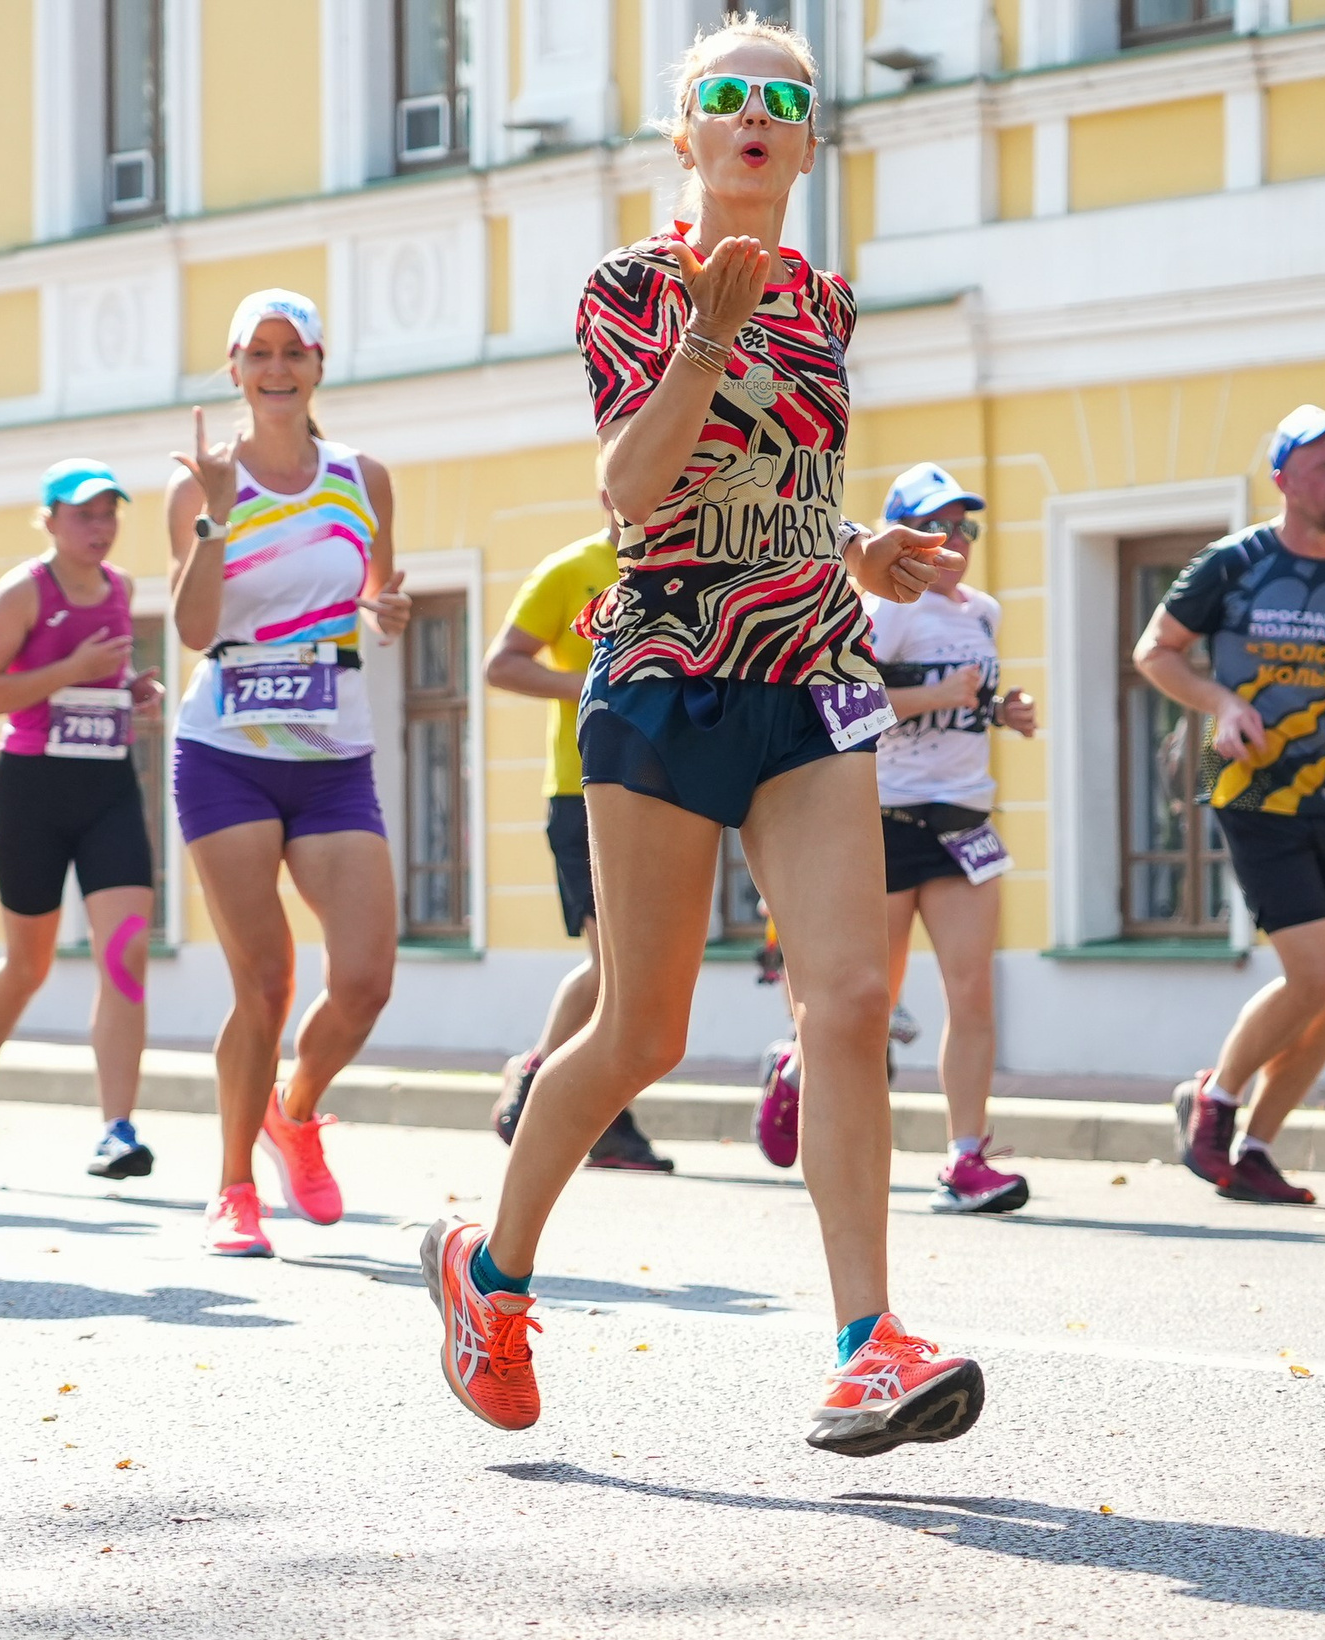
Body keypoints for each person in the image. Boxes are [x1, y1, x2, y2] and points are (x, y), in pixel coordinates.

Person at [421, 18, 986, 1458]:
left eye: (781, 101)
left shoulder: (832, 303)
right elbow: (633, 490)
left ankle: (867, 1341)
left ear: (809, 140)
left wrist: (860, 547)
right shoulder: (630, 284)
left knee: (850, 996)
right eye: (723, 98)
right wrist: (708, 338)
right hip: (667, 676)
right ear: (685, 135)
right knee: (641, 1029)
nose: (753, 116)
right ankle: (490, 1274)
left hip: (807, 673)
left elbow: (781, 480)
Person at [164, 289, 410, 1258]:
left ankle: (294, 1113)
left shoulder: (362, 477)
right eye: (257, 353)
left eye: (292, 351)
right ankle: (232, 1189)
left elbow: (380, 591)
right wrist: (217, 521)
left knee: (364, 981)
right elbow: (189, 629)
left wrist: (385, 614)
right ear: (233, 368)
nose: (275, 368)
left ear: (318, 363)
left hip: (332, 751)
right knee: (264, 983)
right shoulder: (202, 485)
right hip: (225, 750)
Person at [1133, 405, 1325, 1206]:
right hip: (1254, 789)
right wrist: (1220, 703)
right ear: (1284, 477)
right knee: (1314, 971)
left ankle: (1255, 1146)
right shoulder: (1232, 563)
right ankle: (1216, 1098)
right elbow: (1154, 652)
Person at [0, 460, 166, 1179]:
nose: (98, 529)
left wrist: (136, 692)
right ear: (50, 519)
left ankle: (118, 1129)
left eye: (109, 515)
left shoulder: (123, 589)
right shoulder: (22, 591)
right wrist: (70, 668)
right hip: (32, 788)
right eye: (82, 515)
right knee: (29, 963)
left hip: (108, 786)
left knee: (126, 952)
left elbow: (108, 678)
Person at [862, 461, 1039, 1214]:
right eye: (939, 525)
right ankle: (805, 1077)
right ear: (905, 538)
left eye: (965, 523)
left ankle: (965, 1158)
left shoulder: (984, 611)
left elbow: (975, 699)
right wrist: (937, 694)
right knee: (870, 1001)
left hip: (964, 817)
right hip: (890, 817)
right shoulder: (889, 608)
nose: (956, 538)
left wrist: (1007, 711)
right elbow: (853, 703)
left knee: (973, 995)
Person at [483, 522, 671, 1173]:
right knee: (615, 964)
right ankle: (546, 1077)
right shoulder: (570, 568)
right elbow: (500, 663)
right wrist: (593, 683)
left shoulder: (694, 559)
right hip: (584, 787)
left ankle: (588, 1104)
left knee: (640, 970)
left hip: (673, 787)